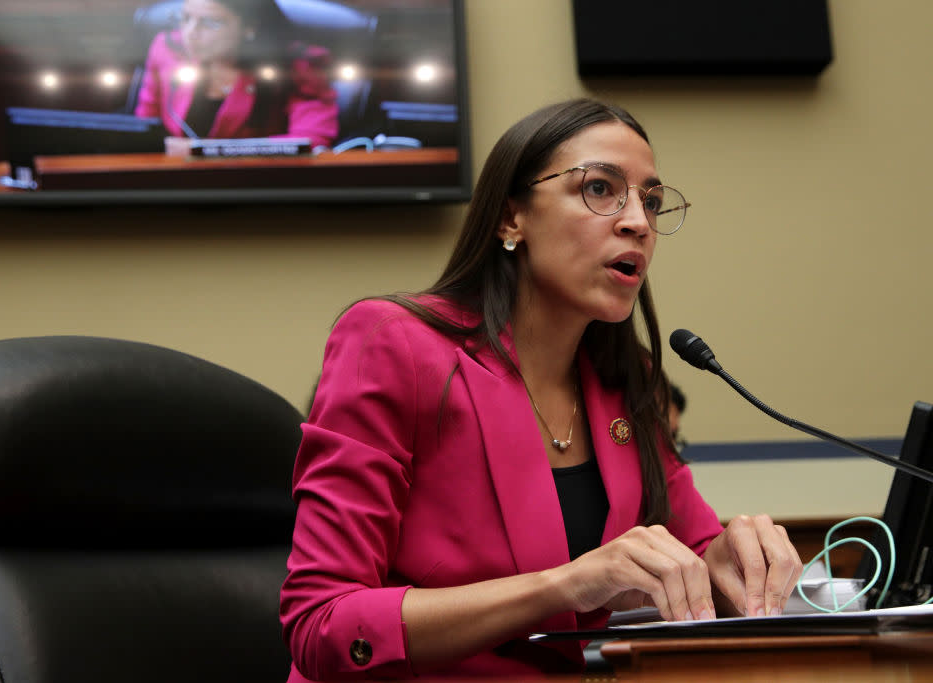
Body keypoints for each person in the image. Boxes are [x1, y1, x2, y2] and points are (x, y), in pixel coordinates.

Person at [279, 98, 802, 680]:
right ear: (511, 218)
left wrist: (734, 562)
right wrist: (567, 585)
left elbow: (697, 558)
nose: (637, 222)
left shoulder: (624, 381)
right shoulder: (393, 345)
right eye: (601, 189)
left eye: (650, 202)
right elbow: (322, 623)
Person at [134, 0, 338, 147]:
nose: (191, 33)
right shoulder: (168, 49)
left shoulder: (299, 65)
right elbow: (144, 128)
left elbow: (312, 140)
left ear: (249, 27)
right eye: (185, 18)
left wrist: (206, 152)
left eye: (210, 23)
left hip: (254, 185)